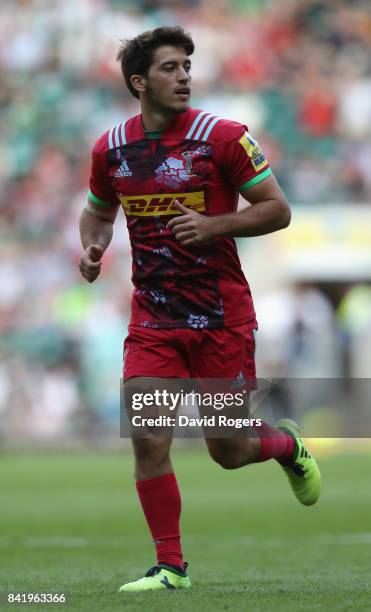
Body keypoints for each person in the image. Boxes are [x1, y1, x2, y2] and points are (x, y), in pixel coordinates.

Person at [79, 26, 321, 593]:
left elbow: (278, 210)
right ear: (139, 82)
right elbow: (97, 211)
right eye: (170, 67)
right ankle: (171, 568)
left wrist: (215, 224)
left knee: (230, 451)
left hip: (220, 317)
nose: (184, 75)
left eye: (187, 65)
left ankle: (285, 445)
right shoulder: (110, 148)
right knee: (147, 435)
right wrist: (93, 246)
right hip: (154, 320)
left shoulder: (225, 137)